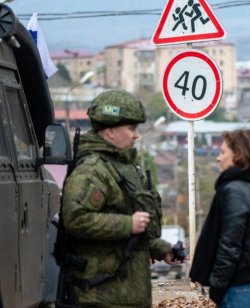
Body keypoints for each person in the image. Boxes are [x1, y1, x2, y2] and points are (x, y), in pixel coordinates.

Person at [62, 90, 177, 307]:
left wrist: (160, 248)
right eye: (132, 129)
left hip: (125, 295)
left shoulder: (125, 168)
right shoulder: (93, 170)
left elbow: (131, 230)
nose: (136, 135)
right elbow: (76, 219)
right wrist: (127, 224)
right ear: (111, 131)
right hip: (101, 295)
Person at [189, 129, 250, 307]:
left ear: (239, 155)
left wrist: (217, 286)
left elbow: (230, 244)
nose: (218, 158)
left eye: (222, 152)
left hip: (238, 288)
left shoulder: (234, 190)